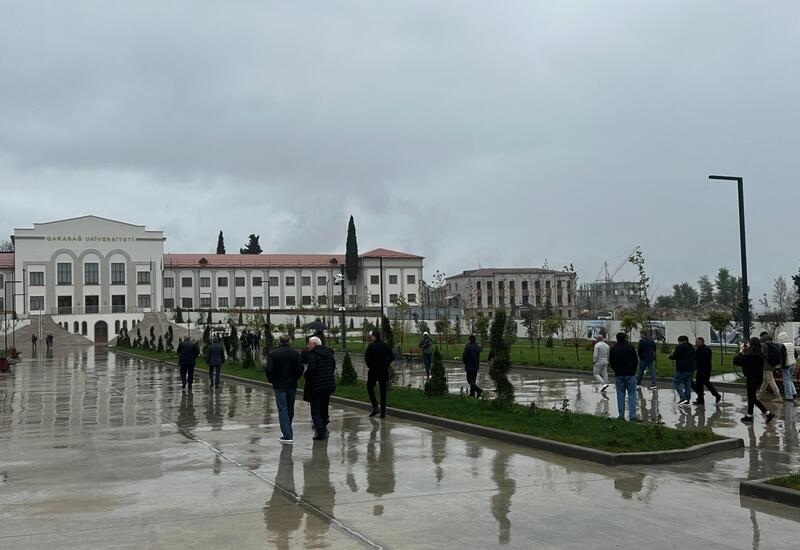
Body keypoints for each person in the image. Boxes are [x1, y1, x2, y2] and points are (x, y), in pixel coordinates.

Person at [267, 335, 304, 443]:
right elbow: (300, 368)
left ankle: (287, 434)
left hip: (279, 385)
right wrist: (295, 377)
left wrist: (272, 380)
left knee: (283, 409)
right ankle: (288, 430)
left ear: (279, 341)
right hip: (291, 384)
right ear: (289, 341)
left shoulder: (273, 354)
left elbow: (269, 370)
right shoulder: (295, 353)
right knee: (289, 408)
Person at [733, 337, 775, 423]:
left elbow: (736, 361)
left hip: (751, 379)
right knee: (751, 397)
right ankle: (749, 415)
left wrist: (741, 351)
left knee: (752, 398)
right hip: (758, 378)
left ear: (751, 345)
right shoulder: (759, 354)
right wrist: (748, 350)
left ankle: (767, 413)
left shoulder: (750, 356)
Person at [303, 336, 336, 440]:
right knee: (324, 406)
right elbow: (333, 366)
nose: (308, 346)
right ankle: (324, 424)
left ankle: (320, 431)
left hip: (316, 385)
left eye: (309, 344)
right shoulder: (329, 353)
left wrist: (306, 375)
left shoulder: (313, 354)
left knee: (315, 409)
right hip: (328, 384)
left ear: (314, 344)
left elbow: (311, 369)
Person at [364, 329, 394, 418]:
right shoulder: (385, 345)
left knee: (370, 388)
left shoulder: (371, 346)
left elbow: (366, 358)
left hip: (373, 371)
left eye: (372, 336)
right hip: (383, 371)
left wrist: (371, 366)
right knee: (383, 391)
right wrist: (386, 364)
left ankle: (375, 407)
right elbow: (392, 357)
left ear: (374, 336)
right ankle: (383, 413)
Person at [609, 332, 638, 421]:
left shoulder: (614, 348)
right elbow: (635, 360)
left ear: (617, 339)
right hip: (630, 373)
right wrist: (633, 370)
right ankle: (632, 415)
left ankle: (621, 415)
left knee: (620, 395)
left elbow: (611, 362)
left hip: (619, 374)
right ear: (625, 338)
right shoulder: (630, 347)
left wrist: (616, 370)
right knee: (632, 394)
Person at [692, 337, 721, 405]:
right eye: (696, 341)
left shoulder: (701, 349)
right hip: (705, 369)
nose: (696, 343)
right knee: (704, 383)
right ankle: (702, 398)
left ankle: (703, 398)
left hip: (702, 369)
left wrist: (695, 351)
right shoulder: (707, 349)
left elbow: (695, 357)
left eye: (697, 342)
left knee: (701, 384)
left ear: (702, 342)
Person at [669, 335, 695, 405]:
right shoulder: (692, 347)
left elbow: (675, 356)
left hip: (681, 368)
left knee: (675, 382)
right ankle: (688, 398)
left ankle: (683, 397)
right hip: (690, 368)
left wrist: (670, 356)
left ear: (680, 341)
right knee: (687, 384)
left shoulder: (679, 347)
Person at [758, 332, 783, 400]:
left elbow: (760, 355)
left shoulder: (763, 345)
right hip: (772, 364)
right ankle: (760, 396)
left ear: (762, 337)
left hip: (766, 366)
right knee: (765, 381)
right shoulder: (772, 344)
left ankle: (778, 397)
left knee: (771, 381)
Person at [778, 331, 797, 401]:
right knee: (789, 379)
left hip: (787, 365)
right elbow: (796, 355)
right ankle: (794, 392)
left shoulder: (783, 346)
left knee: (786, 381)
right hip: (793, 364)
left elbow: (783, 357)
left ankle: (788, 396)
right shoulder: (791, 344)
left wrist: (781, 367)